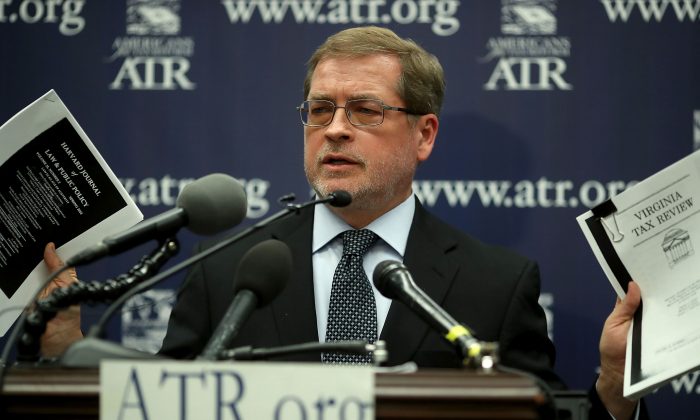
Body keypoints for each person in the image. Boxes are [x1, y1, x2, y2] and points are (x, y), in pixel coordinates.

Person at [40, 26, 643, 419]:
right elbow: (161, 408)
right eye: (320, 109)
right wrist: (65, 348)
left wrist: (615, 385)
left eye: (365, 110)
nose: (334, 128)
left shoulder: (497, 283)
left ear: (424, 134)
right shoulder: (226, 272)